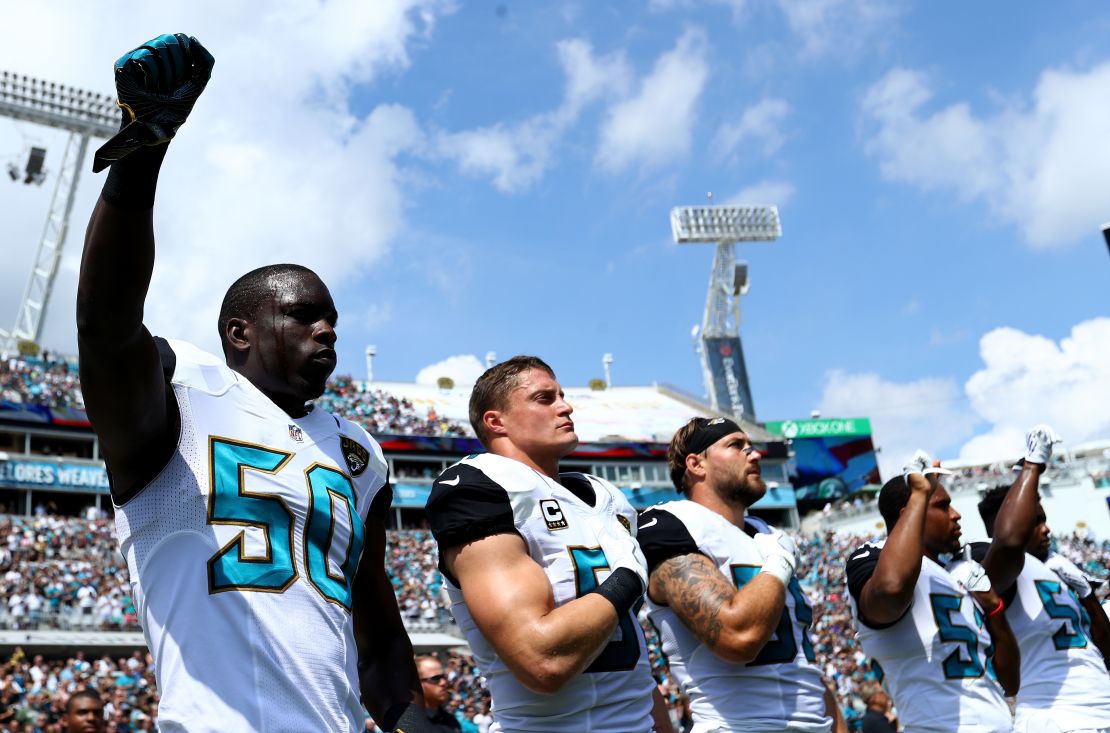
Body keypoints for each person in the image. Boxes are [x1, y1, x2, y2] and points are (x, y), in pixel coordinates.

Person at [77, 33, 429, 733]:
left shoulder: (359, 453)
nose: (326, 329)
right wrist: (142, 152)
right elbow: (105, 325)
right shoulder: (184, 397)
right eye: (303, 315)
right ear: (240, 332)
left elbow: (377, 623)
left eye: (331, 318)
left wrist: (409, 717)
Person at [425, 356, 671, 732]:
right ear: (496, 421)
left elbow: (632, 663)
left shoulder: (608, 498)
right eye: (544, 398)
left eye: (562, 396)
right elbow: (542, 660)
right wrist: (628, 576)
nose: (566, 406)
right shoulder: (482, 485)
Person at [637, 416, 844, 733]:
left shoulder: (767, 535)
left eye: (751, 445)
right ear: (696, 464)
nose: (755, 454)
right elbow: (736, 636)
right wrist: (778, 560)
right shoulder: (673, 522)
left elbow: (804, 666)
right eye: (736, 445)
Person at [845, 450, 1022, 733]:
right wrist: (919, 493)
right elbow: (890, 591)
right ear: (910, 515)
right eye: (943, 506)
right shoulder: (872, 557)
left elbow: (1011, 681)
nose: (956, 514)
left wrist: (994, 608)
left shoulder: (959, 567)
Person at [976, 425, 1110, 733]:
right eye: (1034, 522)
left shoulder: (1056, 568)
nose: (1045, 529)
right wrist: (1032, 465)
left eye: (1043, 520)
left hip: (1099, 712)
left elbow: (1106, 651)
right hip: (1055, 720)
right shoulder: (994, 571)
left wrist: (1088, 598)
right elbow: (1010, 542)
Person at [415, 656, 461, 732]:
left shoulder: (451, 721)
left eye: (444, 677)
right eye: (435, 679)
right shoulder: (409, 724)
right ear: (417, 683)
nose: (443, 682)